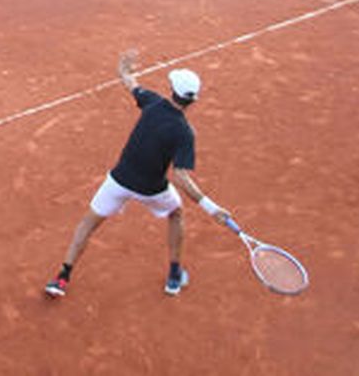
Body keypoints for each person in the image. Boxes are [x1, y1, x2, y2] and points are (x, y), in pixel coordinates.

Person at [44, 51, 232, 299]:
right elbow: (180, 176)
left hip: (119, 180)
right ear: (193, 101)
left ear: (171, 89)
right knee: (175, 213)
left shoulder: (153, 102)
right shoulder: (185, 133)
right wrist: (210, 206)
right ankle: (174, 275)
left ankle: (62, 277)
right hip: (152, 190)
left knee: (87, 224)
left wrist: (124, 70)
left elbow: (130, 83)